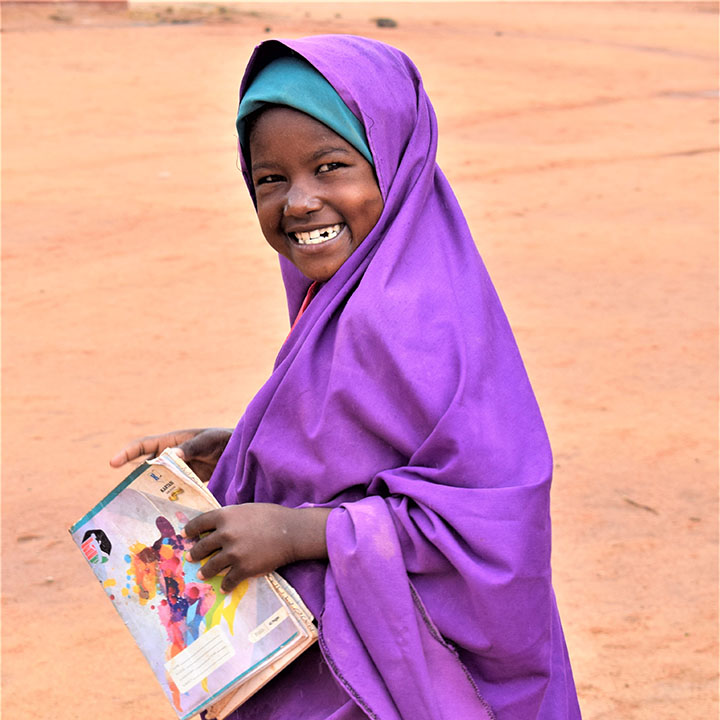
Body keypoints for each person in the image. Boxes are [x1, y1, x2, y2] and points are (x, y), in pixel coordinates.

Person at [111, 35, 581, 720]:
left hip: (396, 679)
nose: (300, 202)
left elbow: (491, 523)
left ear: (396, 159)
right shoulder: (357, 295)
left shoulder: (407, 319)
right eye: (270, 179)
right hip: (338, 656)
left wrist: (303, 533)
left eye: (331, 166)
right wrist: (247, 443)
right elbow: (364, 442)